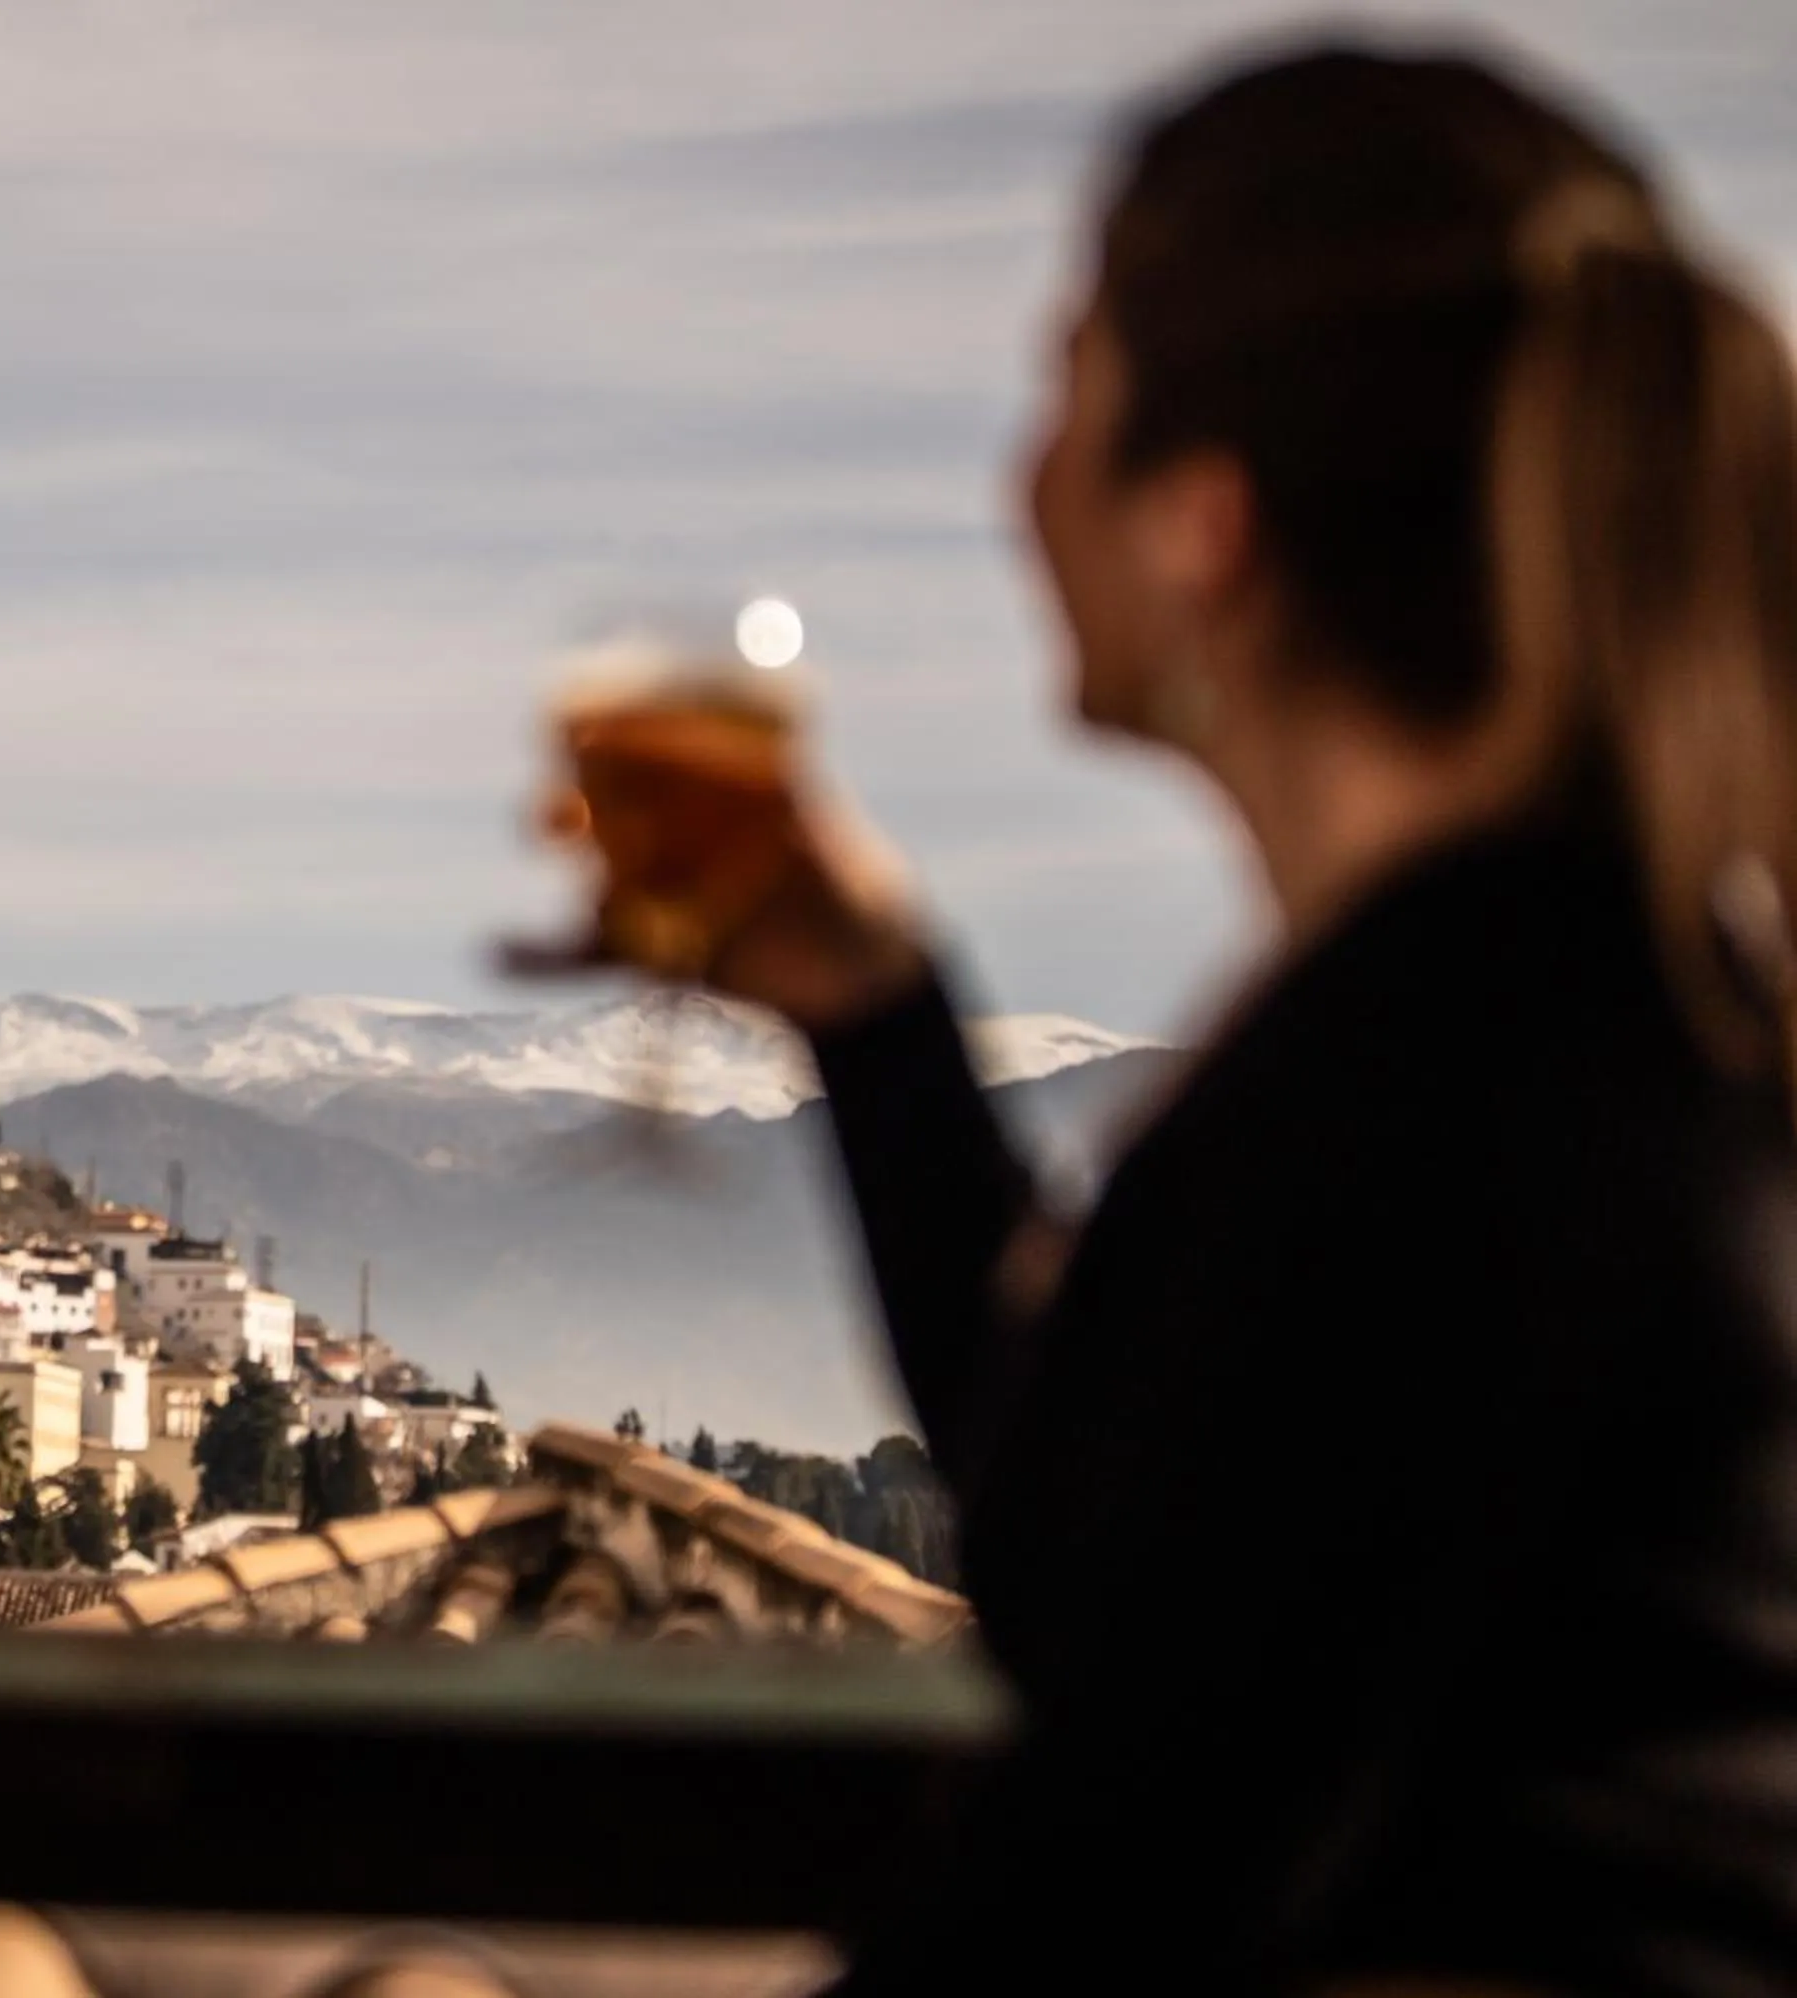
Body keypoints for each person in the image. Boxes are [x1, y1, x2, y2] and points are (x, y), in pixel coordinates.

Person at [532, 41, 1797, 1998]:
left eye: (1066, 384)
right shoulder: (1589, 1011)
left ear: (1201, 526)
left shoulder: (1420, 1102)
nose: (1014, 479)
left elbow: (1080, 1887)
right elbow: (1135, 1535)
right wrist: (874, 1024)